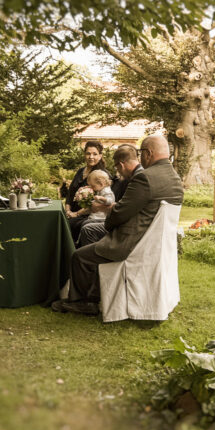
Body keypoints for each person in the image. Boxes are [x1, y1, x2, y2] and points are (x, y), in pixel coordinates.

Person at [53, 135, 183, 315]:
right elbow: (135, 208)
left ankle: (84, 302)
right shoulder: (174, 177)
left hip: (132, 242)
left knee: (80, 257)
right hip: (154, 243)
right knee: (89, 234)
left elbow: (119, 216)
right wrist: (113, 208)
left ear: (148, 153)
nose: (140, 157)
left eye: (141, 153)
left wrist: (106, 212)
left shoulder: (146, 178)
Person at [78, 145, 143, 248]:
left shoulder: (138, 179)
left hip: (129, 227)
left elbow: (125, 208)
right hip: (125, 220)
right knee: (86, 224)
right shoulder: (135, 176)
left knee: (88, 228)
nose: (118, 171)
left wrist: (102, 211)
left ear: (121, 165)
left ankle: (92, 259)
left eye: (117, 168)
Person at [64, 140, 112, 239]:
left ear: (100, 155)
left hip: (88, 215)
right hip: (72, 212)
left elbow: (101, 203)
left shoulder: (102, 175)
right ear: (84, 155)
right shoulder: (80, 171)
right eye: (88, 154)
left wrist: (76, 214)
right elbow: (70, 193)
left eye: (95, 154)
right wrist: (68, 210)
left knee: (69, 225)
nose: (91, 157)